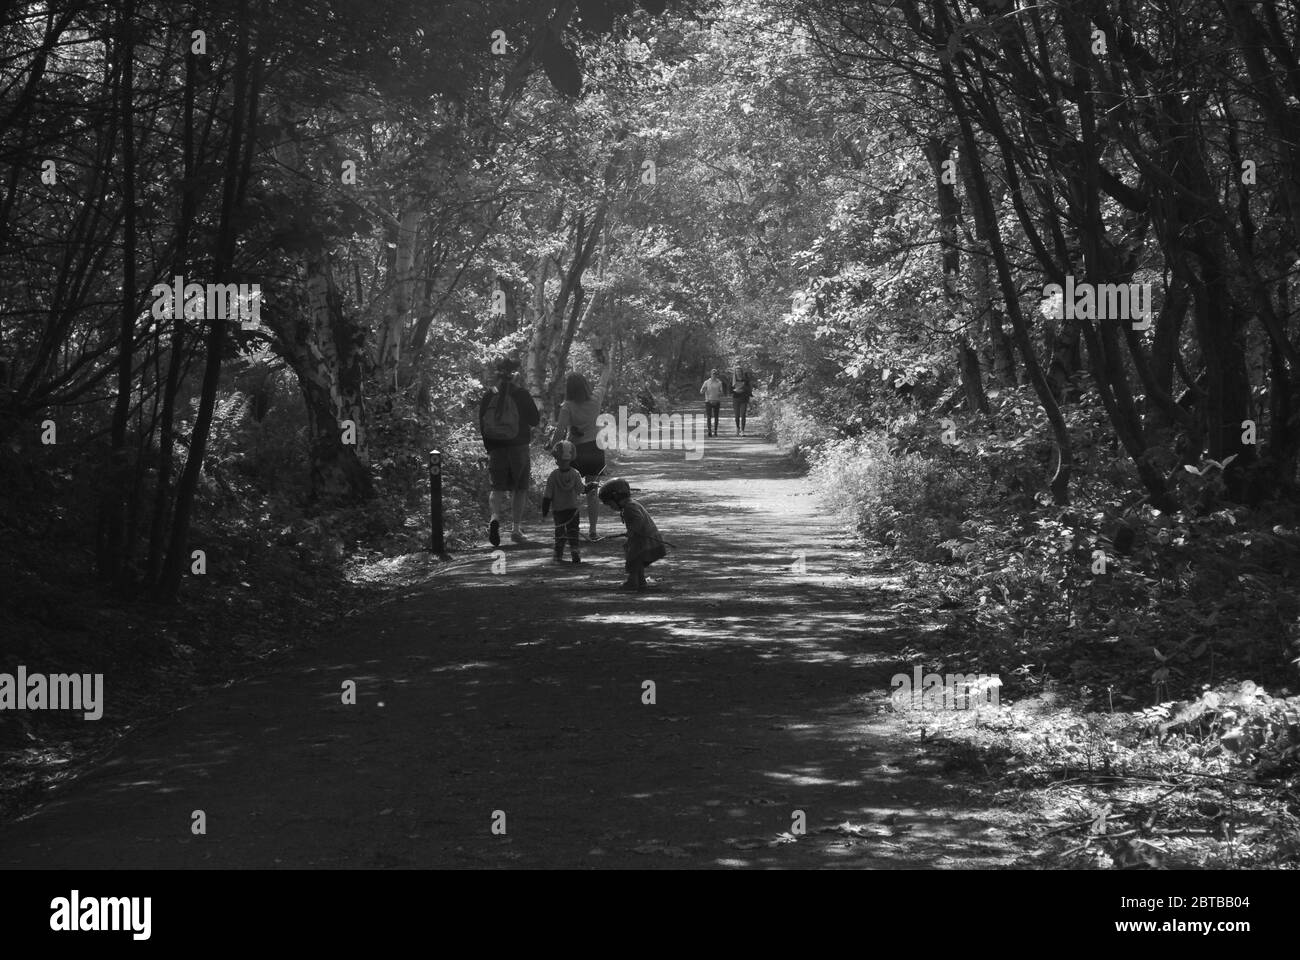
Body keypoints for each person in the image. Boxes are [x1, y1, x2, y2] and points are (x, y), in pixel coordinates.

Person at [479, 356, 540, 546]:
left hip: (496, 447)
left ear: (497, 374)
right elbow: (534, 420)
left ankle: (495, 518)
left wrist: (489, 446)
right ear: (515, 375)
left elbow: (483, 422)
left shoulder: (490, 394)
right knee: (519, 488)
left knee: (497, 487)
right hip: (518, 446)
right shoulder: (521, 394)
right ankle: (515, 529)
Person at [550, 372, 605, 540]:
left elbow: (560, 430)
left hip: (575, 451)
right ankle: (593, 530)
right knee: (592, 491)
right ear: (586, 385)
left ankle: (570, 528)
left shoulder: (567, 406)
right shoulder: (596, 399)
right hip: (595, 448)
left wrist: (554, 447)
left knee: (570, 492)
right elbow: (603, 380)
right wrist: (606, 365)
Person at [598, 477, 668, 591]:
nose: (611, 508)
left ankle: (632, 582)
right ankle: (640, 581)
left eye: (611, 504)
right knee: (637, 559)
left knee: (633, 559)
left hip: (644, 539)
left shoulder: (629, 507)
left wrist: (632, 531)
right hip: (642, 538)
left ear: (617, 498)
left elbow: (638, 519)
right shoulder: (630, 504)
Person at [542, 440, 588, 564]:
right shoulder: (575, 474)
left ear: (556, 459)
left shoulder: (553, 476)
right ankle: (575, 553)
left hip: (558, 510)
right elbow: (581, 489)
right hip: (572, 509)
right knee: (573, 531)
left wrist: (545, 510)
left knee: (560, 532)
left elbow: (548, 495)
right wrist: (590, 486)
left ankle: (558, 554)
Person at [700, 367, 725, 438]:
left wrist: (719, 393)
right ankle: (709, 431)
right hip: (708, 401)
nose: (714, 375)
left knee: (716, 417)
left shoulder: (719, 382)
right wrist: (703, 390)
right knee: (709, 417)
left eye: (715, 374)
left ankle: (715, 431)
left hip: (716, 401)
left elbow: (721, 392)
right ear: (711, 374)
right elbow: (701, 391)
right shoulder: (706, 382)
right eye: (713, 374)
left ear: (717, 375)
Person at [731, 366, 753, 436]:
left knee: (743, 414)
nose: (738, 373)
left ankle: (742, 431)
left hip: (744, 399)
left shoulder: (746, 380)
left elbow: (749, 389)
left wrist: (743, 390)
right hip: (736, 399)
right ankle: (737, 428)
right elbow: (729, 390)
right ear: (735, 373)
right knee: (737, 415)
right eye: (737, 372)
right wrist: (734, 390)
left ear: (741, 372)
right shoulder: (733, 380)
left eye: (739, 371)